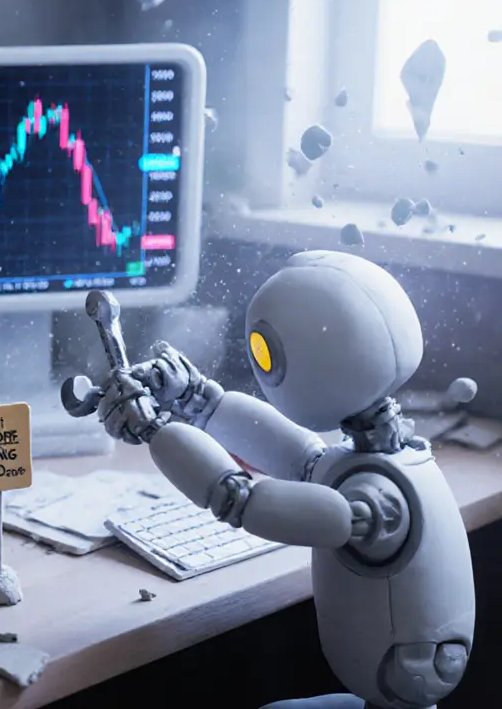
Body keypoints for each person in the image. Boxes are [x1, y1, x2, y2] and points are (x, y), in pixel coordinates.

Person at [72, 251, 474, 709]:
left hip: (400, 681)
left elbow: (243, 501)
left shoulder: (377, 506)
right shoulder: (391, 464)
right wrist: (197, 398)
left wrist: (153, 429)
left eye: (267, 353)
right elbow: (298, 458)